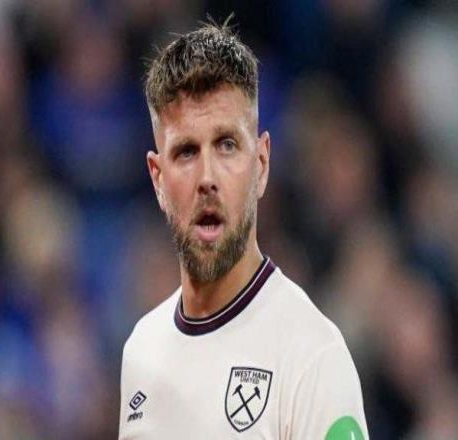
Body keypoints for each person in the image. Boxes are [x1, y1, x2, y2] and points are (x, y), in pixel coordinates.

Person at [119, 19, 368, 440]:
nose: (207, 178)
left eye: (227, 145)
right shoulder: (141, 350)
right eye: (186, 152)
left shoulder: (312, 356)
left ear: (262, 164)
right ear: (157, 178)